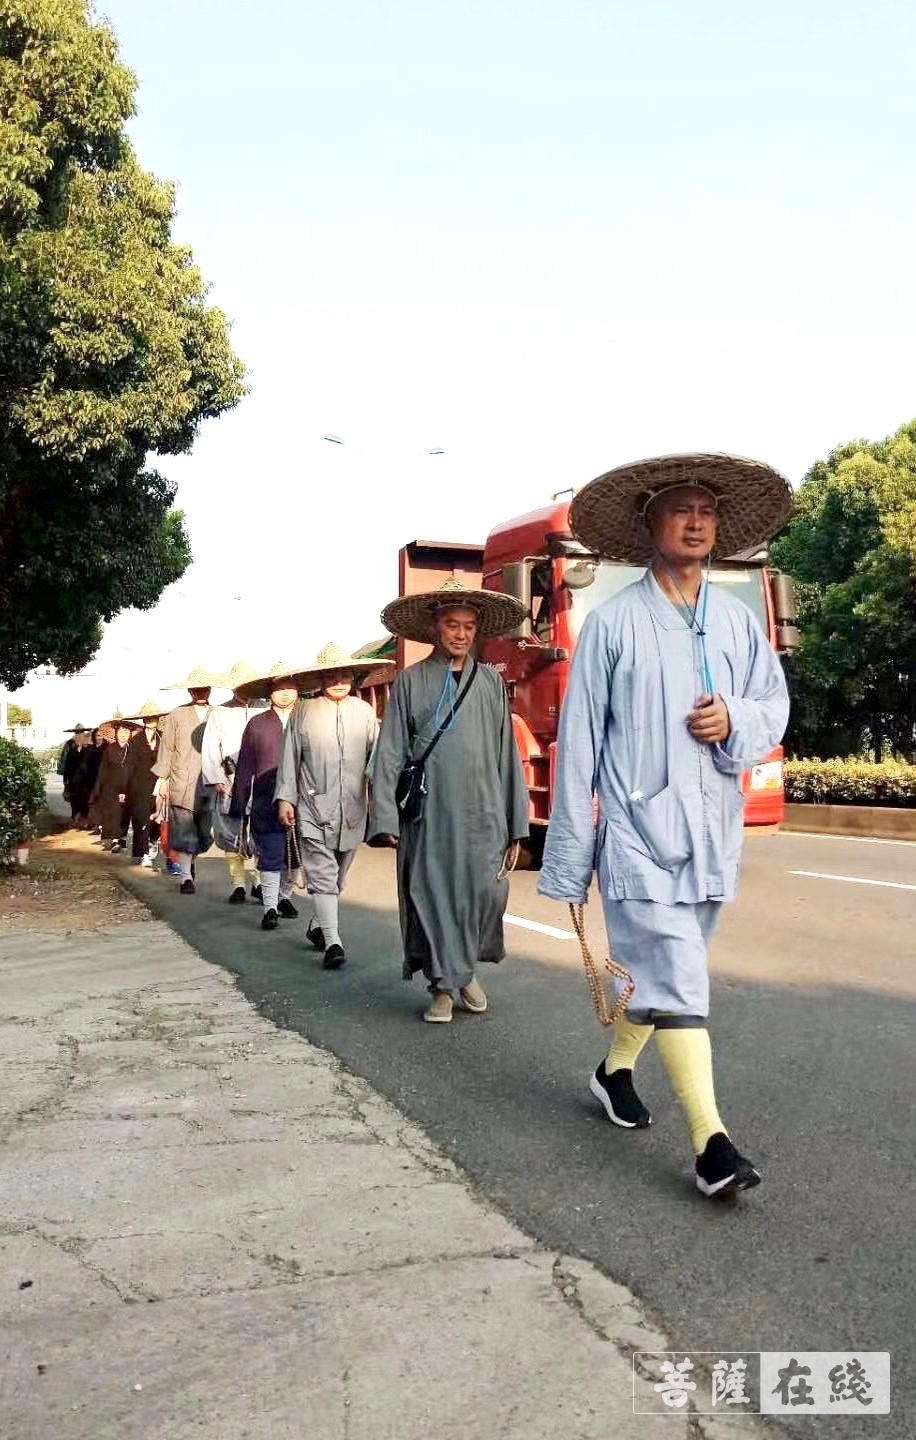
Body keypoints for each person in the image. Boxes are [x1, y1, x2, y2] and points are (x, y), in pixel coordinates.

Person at [538, 452, 793, 1200]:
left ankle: (614, 1070)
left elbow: (771, 708)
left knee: (669, 976)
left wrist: (735, 718)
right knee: (679, 978)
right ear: (649, 524)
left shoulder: (741, 624)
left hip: (713, 831)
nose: (695, 521)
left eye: (706, 511)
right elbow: (579, 741)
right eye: (680, 509)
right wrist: (571, 861)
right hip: (636, 836)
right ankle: (712, 1146)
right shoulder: (613, 626)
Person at [368, 577, 530, 1023]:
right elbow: (391, 751)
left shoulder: (490, 684)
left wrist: (516, 822)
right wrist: (385, 816)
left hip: (484, 811)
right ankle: (444, 985)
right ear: (435, 627)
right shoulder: (410, 682)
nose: (460, 633)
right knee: (434, 895)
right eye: (452, 624)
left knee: (484, 893)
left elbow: (506, 754)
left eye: (469, 626)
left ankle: (464, 971)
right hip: (430, 811)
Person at [275, 643, 392, 969]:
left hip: (353, 806)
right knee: (323, 875)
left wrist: (382, 803)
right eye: (331, 674)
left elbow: (378, 760)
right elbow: (289, 757)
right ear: (320, 678)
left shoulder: (365, 712)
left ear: (353, 677)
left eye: (344, 674)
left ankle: (319, 925)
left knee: (338, 877)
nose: (338, 680)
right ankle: (334, 943)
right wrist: (286, 797)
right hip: (313, 806)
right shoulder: (304, 710)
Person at [229, 664, 302, 931]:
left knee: (296, 856)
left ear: (298, 690)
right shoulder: (257, 724)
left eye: (289, 687)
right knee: (271, 853)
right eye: (278, 688)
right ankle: (270, 906)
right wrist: (240, 802)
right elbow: (245, 765)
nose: (284, 693)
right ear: (269, 692)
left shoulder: (305, 718)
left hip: (305, 799)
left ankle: (284, 898)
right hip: (265, 798)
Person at [152, 666, 220, 894]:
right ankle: (186, 877)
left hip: (209, 780)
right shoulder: (176, 715)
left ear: (210, 689)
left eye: (205, 688)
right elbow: (167, 748)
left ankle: (190, 863)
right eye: (196, 688)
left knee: (202, 831)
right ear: (190, 690)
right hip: (182, 779)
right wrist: (162, 779)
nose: (201, 692)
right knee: (183, 830)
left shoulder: (218, 714)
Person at [201, 662, 264, 904]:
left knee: (261, 832)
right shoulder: (220, 712)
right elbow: (210, 748)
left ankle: (259, 881)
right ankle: (238, 883)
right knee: (230, 833)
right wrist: (216, 778)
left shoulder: (265, 709)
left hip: (261, 779)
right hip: (229, 779)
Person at [123, 701, 168, 866]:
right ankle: (142, 852)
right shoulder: (135, 741)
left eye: (154, 718)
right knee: (141, 819)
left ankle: (153, 842)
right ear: (144, 720)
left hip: (158, 783)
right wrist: (125, 789)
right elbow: (129, 766)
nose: (151, 721)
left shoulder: (163, 738)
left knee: (156, 817)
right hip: (139, 785)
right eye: (148, 718)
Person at [92, 720, 136, 852]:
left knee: (125, 814)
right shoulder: (109, 749)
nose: (123, 734)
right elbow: (103, 770)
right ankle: (115, 839)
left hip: (129, 786)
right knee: (114, 813)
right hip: (111, 787)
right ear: (116, 733)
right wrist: (99, 787)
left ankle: (120, 838)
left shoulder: (133, 750)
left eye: (126, 732)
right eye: (121, 731)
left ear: (130, 734)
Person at [60, 724, 92, 826]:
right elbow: (67, 765)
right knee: (74, 801)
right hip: (73, 780)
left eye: (81, 732)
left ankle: (85, 820)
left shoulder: (89, 748)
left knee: (85, 800)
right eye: (77, 733)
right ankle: (75, 819)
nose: (79, 735)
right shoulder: (70, 747)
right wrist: (66, 780)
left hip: (86, 780)